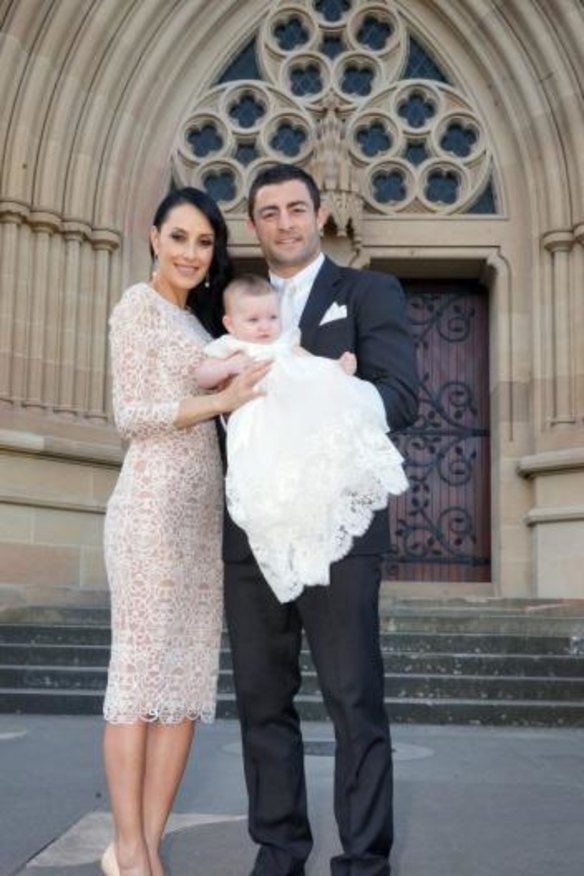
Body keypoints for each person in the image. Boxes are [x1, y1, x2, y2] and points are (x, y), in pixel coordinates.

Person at [223, 164, 419, 876]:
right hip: (253, 535)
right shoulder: (230, 305)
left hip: (339, 534)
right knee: (261, 702)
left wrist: (330, 386)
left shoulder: (368, 292)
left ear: (319, 212)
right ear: (253, 224)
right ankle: (279, 854)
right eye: (269, 212)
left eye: (296, 208)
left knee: (353, 700)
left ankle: (364, 862)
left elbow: (400, 398)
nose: (285, 223)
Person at [101, 187, 270, 876]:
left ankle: (147, 846)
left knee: (184, 690)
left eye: (204, 243)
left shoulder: (202, 326)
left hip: (203, 520)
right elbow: (130, 415)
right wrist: (219, 399)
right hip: (149, 510)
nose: (191, 254)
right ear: (153, 237)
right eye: (179, 238)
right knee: (138, 682)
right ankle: (130, 851)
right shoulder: (136, 308)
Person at [195, 274, 409, 603]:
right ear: (230, 323)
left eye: (272, 317)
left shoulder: (285, 343)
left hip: (292, 424)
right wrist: (228, 368)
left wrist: (339, 367)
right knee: (261, 477)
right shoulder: (230, 348)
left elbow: (312, 363)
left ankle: (310, 526)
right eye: (253, 320)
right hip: (257, 423)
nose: (265, 326)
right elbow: (202, 375)